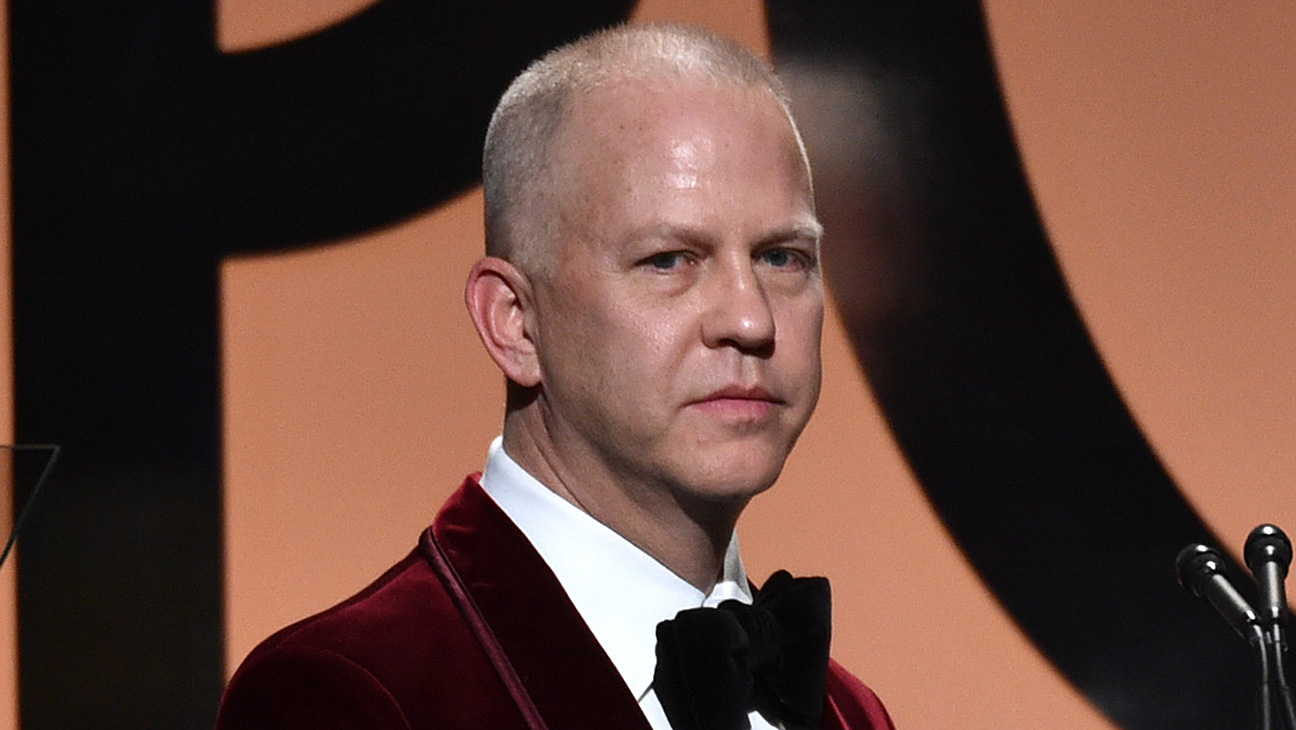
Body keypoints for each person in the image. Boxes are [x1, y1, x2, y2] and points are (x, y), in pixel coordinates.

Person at [216, 23, 894, 730]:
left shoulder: (849, 712)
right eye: (669, 259)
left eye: (782, 257)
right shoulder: (348, 698)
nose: (751, 321)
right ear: (513, 320)